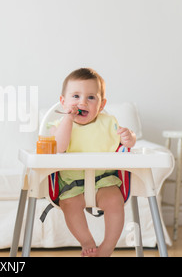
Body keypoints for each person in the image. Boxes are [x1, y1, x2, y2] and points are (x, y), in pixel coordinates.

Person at [49, 68, 136, 257]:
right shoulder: (60, 126)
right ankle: (86, 240)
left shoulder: (108, 123)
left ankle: (107, 247)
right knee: (69, 205)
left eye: (91, 98)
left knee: (115, 202)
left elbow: (126, 141)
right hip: (72, 184)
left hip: (104, 180)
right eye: (75, 96)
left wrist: (130, 138)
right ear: (63, 102)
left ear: (102, 104)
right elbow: (59, 147)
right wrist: (67, 119)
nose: (82, 102)